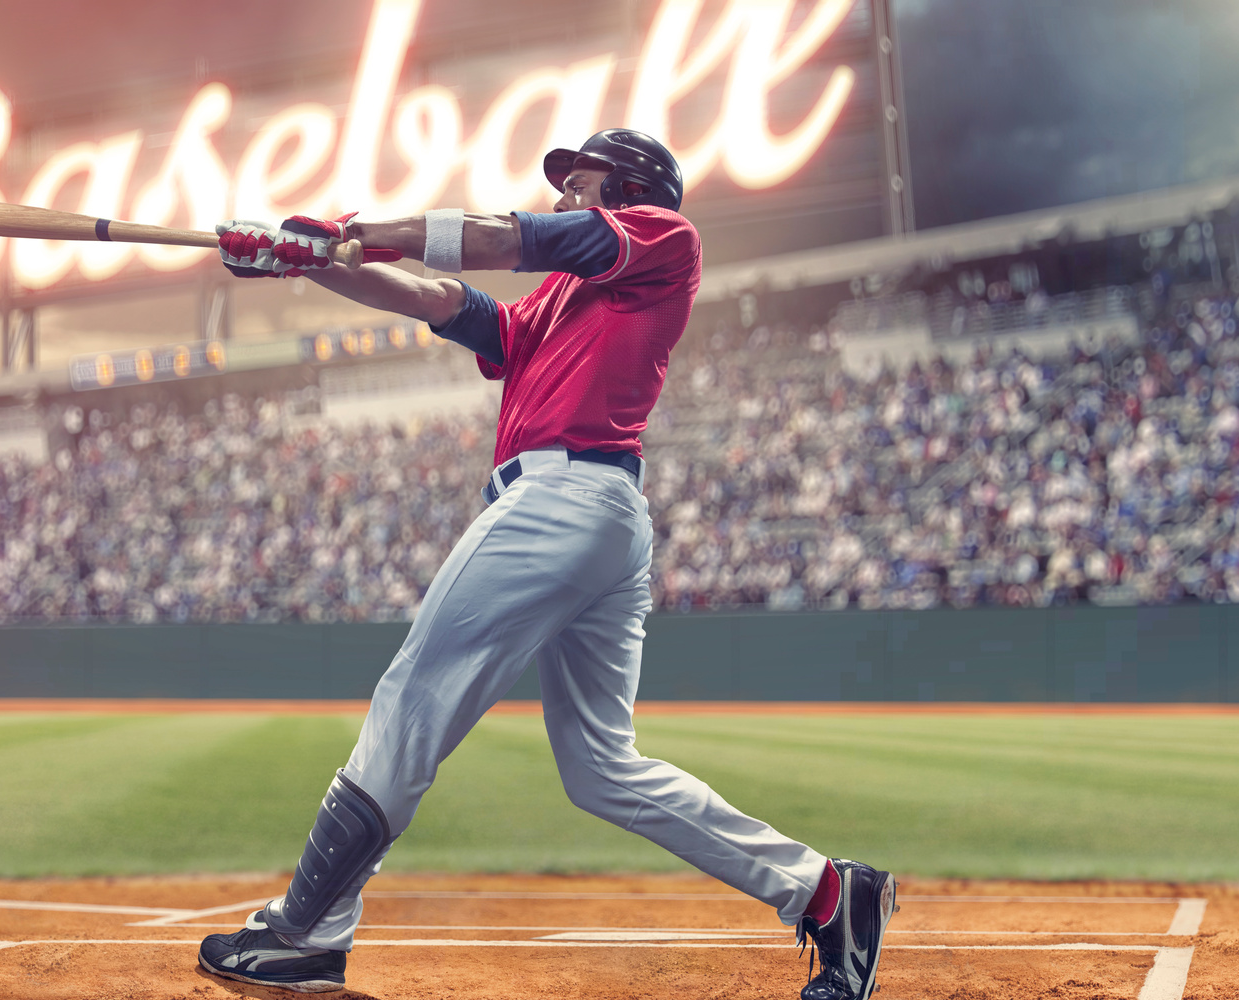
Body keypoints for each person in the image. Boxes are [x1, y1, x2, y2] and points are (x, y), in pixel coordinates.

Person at [196, 129, 897, 999]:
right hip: (595, 519)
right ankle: (829, 893)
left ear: (630, 187)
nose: (566, 193)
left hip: (562, 501)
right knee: (603, 768)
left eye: (581, 181)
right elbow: (438, 298)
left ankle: (306, 932)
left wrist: (348, 228)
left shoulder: (660, 237)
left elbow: (500, 239)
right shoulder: (564, 301)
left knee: (412, 700)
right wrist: (309, 262)